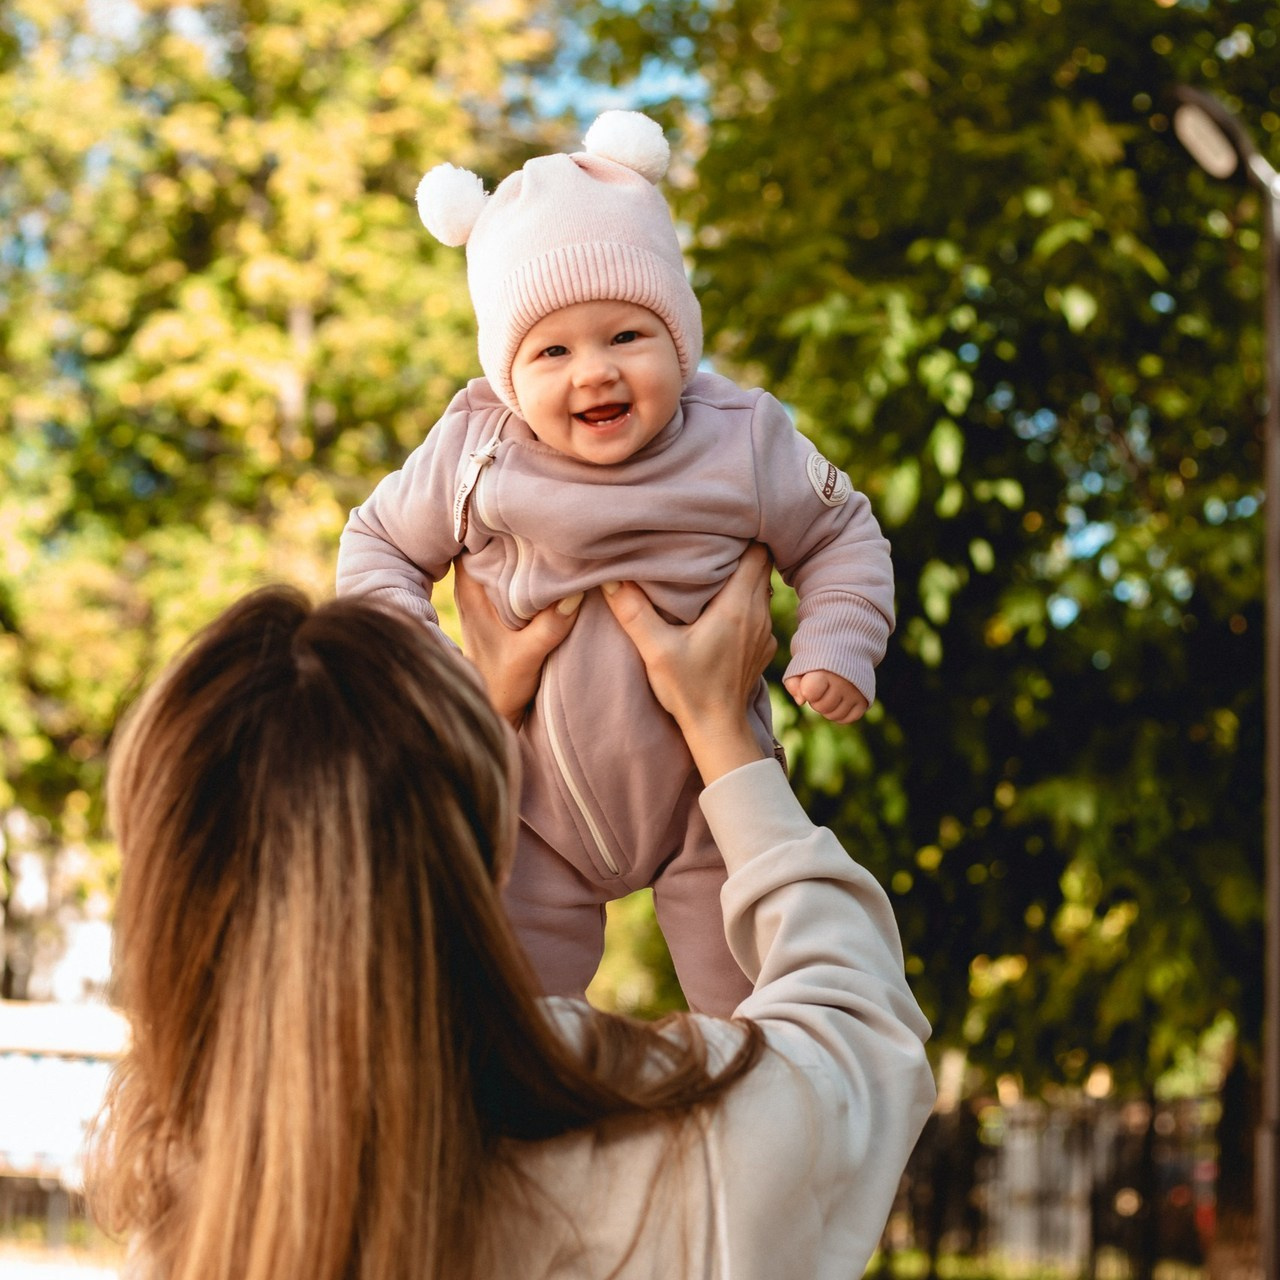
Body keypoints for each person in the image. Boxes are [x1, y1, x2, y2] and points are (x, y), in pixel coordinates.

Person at [89, 549, 934, 1280]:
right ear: (493, 840)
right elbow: (862, 1031)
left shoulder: (184, 1204)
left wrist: (461, 748)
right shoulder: (682, 1143)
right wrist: (719, 728)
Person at [337, 109, 895, 1015]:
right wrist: (438, 683)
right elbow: (376, 547)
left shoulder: (742, 438)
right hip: (532, 806)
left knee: (757, 1025)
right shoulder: (477, 447)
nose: (593, 372)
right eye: (552, 351)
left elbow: (843, 534)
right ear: (508, 374)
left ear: (679, 338)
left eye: (626, 336)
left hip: (708, 803)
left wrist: (838, 640)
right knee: (503, 1023)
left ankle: (750, 1083)